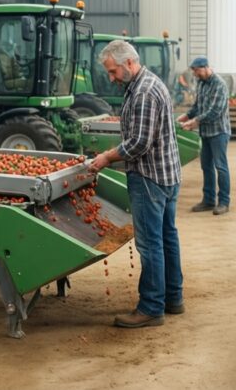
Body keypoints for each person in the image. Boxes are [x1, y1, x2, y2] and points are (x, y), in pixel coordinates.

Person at [89, 40, 184, 328]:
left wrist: (106, 157)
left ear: (129, 63)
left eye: (113, 71)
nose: (111, 77)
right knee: (167, 237)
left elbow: (139, 143)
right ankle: (173, 298)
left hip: (149, 178)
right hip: (166, 175)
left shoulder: (143, 92)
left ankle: (152, 307)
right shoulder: (150, 83)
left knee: (150, 244)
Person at [178, 56, 232, 215]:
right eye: (194, 72)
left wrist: (195, 122)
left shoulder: (219, 85)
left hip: (219, 132)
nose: (195, 75)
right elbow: (198, 106)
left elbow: (215, 111)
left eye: (197, 71)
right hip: (206, 132)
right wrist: (186, 116)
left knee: (220, 167)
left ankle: (224, 202)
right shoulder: (201, 83)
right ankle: (208, 200)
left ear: (205, 67)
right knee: (206, 166)